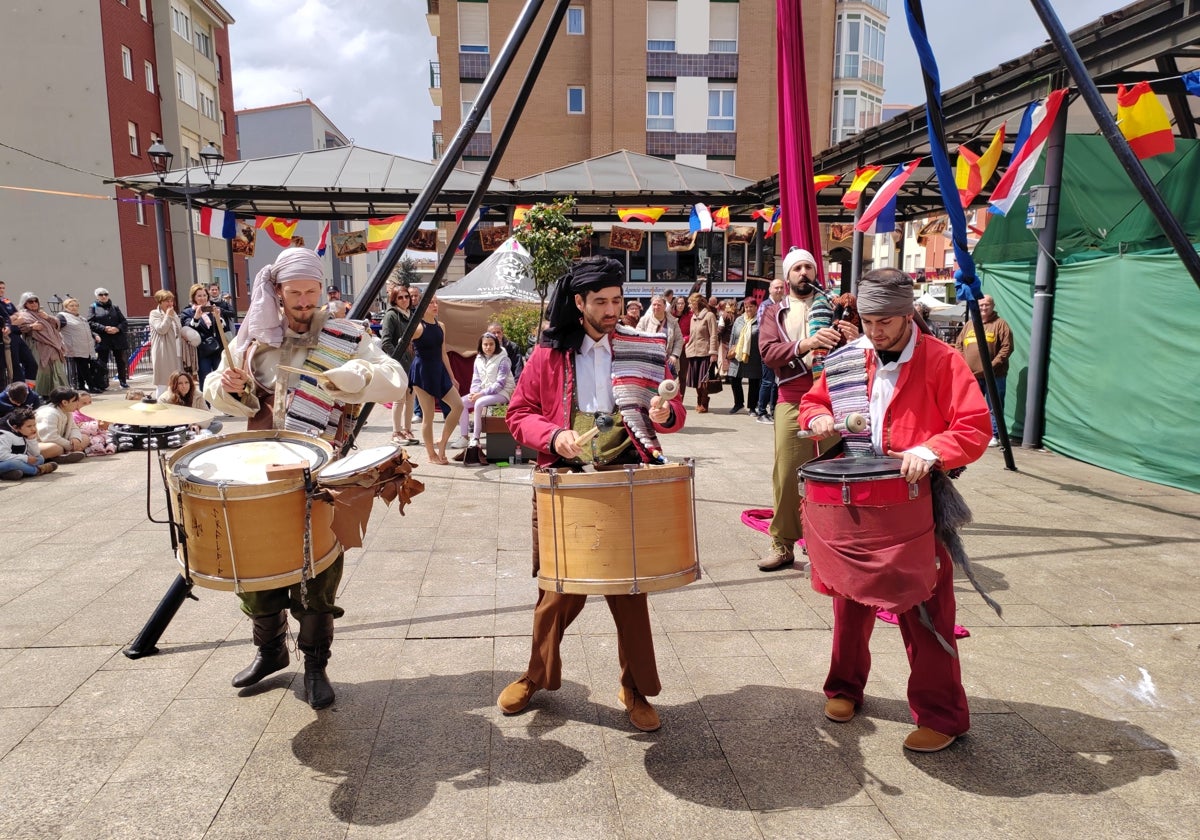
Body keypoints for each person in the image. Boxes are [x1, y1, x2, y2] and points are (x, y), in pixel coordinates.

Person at [203, 246, 407, 710]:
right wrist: (227, 388)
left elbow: (394, 380)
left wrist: (358, 374)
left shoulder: (347, 334)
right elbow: (213, 389)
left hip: (320, 470)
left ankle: (315, 665)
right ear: (277, 291)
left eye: (311, 292)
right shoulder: (253, 337)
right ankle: (270, 652)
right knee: (258, 565)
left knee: (318, 569)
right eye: (294, 292)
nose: (303, 301)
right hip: (262, 469)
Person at [798, 267, 991, 753]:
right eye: (867, 320)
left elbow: (973, 427)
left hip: (916, 499)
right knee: (849, 598)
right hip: (857, 495)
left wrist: (930, 450)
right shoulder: (846, 359)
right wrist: (819, 417)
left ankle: (942, 715)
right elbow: (812, 402)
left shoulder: (943, 361)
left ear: (908, 314)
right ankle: (843, 688)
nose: (876, 330)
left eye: (886, 320)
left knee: (926, 608)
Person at [496, 256, 686, 732]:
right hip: (565, 480)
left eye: (616, 301)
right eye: (600, 301)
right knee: (557, 591)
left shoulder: (641, 347)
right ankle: (535, 676)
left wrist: (666, 414)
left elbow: (669, 410)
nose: (610, 310)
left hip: (625, 474)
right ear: (578, 302)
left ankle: (635, 688)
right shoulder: (548, 355)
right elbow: (518, 415)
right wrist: (554, 436)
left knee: (630, 589)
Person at [757, 249, 858, 571]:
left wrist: (854, 337)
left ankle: (829, 543)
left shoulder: (834, 308)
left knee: (832, 474)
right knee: (787, 473)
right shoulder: (776, 311)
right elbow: (769, 352)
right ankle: (782, 542)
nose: (804, 273)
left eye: (809, 268)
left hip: (833, 396)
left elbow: (860, 353)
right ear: (787, 277)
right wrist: (808, 343)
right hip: (793, 396)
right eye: (797, 268)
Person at [408, 295, 464, 465]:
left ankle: (442, 442)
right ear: (423, 306)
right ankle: (431, 455)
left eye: (436, 302)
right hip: (422, 371)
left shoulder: (441, 326)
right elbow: (402, 342)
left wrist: (452, 376)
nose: (435, 305)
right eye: (431, 302)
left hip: (438, 370)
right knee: (428, 416)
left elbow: (443, 352)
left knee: (458, 406)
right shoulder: (417, 327)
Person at [955, 295, 1013, 447]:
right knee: (971, 406)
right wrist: (963, 363)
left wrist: (991, 366)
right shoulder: (969, 324)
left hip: (994, 376)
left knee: (995, 406)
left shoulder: (1001, 325)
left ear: (992, 306)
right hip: (971, 375)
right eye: (981, 305)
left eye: (987, 305)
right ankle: (973, 433)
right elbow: (959, 344)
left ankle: (994, 435)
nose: (983, 308)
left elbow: (1007, 348)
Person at [457, 331, 514, 463]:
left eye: (491, 344)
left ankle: (475, 438)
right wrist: (473, 393)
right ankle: (464, 437)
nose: (488, 347)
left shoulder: (504, 359)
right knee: (461, 403)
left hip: (502, 393)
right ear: (481, 346)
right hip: (483, 392)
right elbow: (476, 379)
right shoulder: (478, 359)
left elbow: (500, 384)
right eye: (485, 344)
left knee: (479, 403)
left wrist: (480, 395)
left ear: (496, 345)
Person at [380, 282, 417, 446]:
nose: (404, 300)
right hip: (399, 362)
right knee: (399, 398)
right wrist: (398, 359)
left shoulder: (412, 314)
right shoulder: (392, 315)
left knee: (411, 397)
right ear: (394, 300)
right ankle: (396, 432)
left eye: (406, 297)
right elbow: (386, 342)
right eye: (400, 297)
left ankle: (407, 430)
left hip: (414, 362)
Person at [11, 293, 69, 396]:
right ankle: (38, 395)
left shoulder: (42, 314)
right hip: (38, 347)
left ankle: (57, 394)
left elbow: (57, 325)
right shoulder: (22, 315)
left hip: (53, 347)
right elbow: (18, 328)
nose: (34, 303)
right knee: (40, 372)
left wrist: (47, 317)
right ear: (25, 303)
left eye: (35, 301)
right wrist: (31, 327)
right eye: (30, 301)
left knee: (56, 371)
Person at [753, 278, 787, 423]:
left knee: (776, 382)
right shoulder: (765, 306)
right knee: (767, 381)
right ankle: (761, 412)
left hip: (782, 348)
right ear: (770, 289)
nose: (779, 290)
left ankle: (773, 410)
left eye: (781, 288)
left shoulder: (785, 305)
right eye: (776, 288)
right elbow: (764, 328)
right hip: (769, 348)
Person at [182, 284, 226, 390]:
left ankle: (220, 402)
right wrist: (196, 316)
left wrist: (218, 317)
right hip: (202, 351)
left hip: (217, 348)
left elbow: (223, 327)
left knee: (220, 377)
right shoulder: (188, 312)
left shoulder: (214, 309)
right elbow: (189, 328)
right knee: (205, 378)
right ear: (194, 298)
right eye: (199, 296)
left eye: (204, 295)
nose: (202, 298)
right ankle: (205, 404)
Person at [682, 293, 718, 413]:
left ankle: (704, 402)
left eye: (690, 303)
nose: (689, 305)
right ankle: (698, 401)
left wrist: (713, 352)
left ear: (697, 303)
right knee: (696, 380)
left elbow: (713, 335)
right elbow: (692, 335)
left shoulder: (709, 316)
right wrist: (688, 347)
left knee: (703, 381)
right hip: (693, 353)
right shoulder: (693, 317)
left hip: (705, 352)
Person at [88, 287, 129, 389]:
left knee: (121, 361)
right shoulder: (93, 307)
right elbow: (90, 322)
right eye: (101, 295)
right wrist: (104, 328)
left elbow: (124, 322)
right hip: (103, 339)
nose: (104, 296)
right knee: (102, 362)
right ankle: (102, 383)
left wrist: (117, 328)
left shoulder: (115, 307)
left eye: (106, 294)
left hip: (117, 338)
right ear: (97, 297)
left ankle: (123, 381)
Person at [160, 369, 222, 436]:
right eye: (180, 383)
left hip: (195, 427)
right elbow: (168, 421)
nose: (184, 386)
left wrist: (198, 425)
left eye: (186, 382)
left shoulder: (198, 395)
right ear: (174, 385)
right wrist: (189, 426)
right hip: (177, 429)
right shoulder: (165, 399)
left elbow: (207, 414)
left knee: (217, 424)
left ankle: (196, 434)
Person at [148, 290, 186, 397]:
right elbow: (161, 329)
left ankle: (175, 403)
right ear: (160, 302)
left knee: (176, 381)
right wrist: (168, 316)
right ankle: (161, 404)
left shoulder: (174, 314)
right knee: (164, 382)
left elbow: (179, 329)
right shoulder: (154, 314)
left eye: (171, 301)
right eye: (166, 301)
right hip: (163, 351)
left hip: (176, 351)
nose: (170, 304)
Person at [726, 298, 762, 414]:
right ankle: (738, 403)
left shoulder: (760, 321)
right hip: (738, 353)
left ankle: (752, 407)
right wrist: (730, 351)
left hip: (754, 354)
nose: (748, 309)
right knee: (734, 378)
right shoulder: (739, 320)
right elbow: (733, 336)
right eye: (746, 307)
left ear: (756, 307)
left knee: (754, 381)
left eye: (751, 306)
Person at [34, 386, 87, 463]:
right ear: (64, 402)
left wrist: (75, 438)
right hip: (41, 443)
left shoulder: (67, 411)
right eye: (75, 401)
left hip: (62, 441)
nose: (77, 403)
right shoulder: (49, 413)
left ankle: (63, 455)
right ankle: (62, 454)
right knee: (56, 448)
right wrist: (70, 445)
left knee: (84, 438)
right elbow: (49, 437)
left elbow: (74, 427)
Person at [56, 298, 98, 394]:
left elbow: (87, 330)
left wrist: (94, 335)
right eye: (71, 306)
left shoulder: (81, 318)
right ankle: (91, 386)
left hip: (85, 346)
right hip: (74, 347)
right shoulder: (62, 316)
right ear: (65, 307)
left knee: (82, 368)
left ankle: (81, 385)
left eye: (76, 305)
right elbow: (55, 329)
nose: (74, 308)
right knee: (83, 367)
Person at [0, 408, 57, 480]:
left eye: (34, 425)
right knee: (14, 463)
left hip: (16, 458)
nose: (33, 429)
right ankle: (38, 470)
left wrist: (31, 439)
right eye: (29, 426)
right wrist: (25, 458)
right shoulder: (3, 435)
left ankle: (11, 473)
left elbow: (35, 454)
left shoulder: (22, 431)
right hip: (4, 461)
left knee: (40, 458)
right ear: (16, 427)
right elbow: (2, 456)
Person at [0, 279, 37, 385]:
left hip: (16, 335)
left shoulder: (6, 301)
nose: (2, 290)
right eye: (0, 288)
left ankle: (28, 390)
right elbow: (3, 321)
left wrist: (10, 320)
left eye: (3, 288)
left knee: (32, 363)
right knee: (15, 367)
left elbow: (21, 317)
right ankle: (19, 394)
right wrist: (13, 320)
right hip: (6, 337)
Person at [636, 295, 683, 375]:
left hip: (668, 363)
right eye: (654, 305)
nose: (656, 307)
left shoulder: (673, 322)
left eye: (659, 305)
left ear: (665, 306)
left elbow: (679, 340)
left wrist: (674, 355)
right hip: (649, 362)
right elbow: (637, 338)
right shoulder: (644, 320)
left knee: (666, 386)